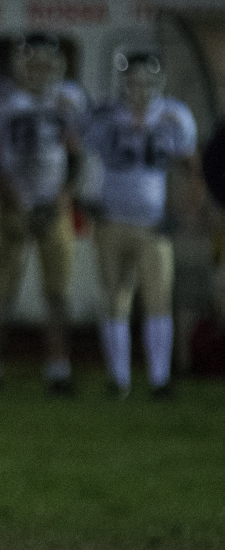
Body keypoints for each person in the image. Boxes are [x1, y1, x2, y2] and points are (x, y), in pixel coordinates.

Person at [0, 33, 87, 395]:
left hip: (53, 206)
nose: (40, 69)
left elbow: (74, 155)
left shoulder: (67, 99)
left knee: (56, 294)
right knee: (2, 292)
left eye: (46, 63)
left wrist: (64, 195)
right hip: (11, 205)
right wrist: (11, 197)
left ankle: (58, 369)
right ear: (20, 64)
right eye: (33, 62)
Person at [84, 53, 201, 398]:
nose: (140, 89)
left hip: (152, 225)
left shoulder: (174, 116)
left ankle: (159, 379)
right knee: (115, 300)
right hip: (112, 221)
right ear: (123, 84)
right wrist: (87, 199)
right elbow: (80, 154)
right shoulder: (105, 116)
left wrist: (184, 210)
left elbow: (191, 167)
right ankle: (118, 380)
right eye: (133, 81)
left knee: (158, 300)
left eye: (147, 82)